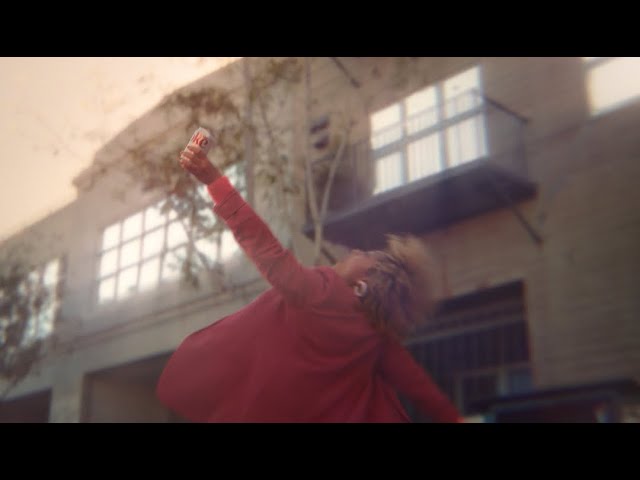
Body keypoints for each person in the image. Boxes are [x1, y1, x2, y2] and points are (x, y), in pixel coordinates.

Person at [156, 140, 462, 423]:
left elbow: (262, 244)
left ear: (363, 284)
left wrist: (214, 181)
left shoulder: (319, 295)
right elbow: (420, 387)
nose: (355, 251)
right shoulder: (378, 339)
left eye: (367, 255)